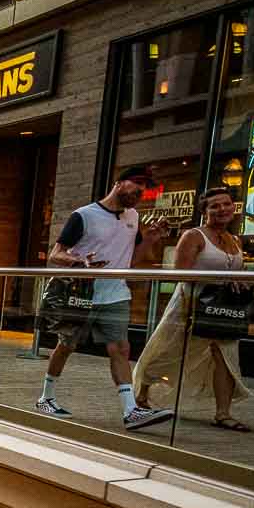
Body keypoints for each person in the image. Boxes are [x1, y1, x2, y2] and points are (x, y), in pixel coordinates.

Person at [38, 168, 172, 430]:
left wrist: (151, 239)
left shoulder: (133, 217)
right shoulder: (84, 215)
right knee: (67, 345)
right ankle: (46, 397)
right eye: (137, 184)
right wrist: (80, 261)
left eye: (144, 188)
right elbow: (56, 254)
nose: (140, 191)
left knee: (120, 348)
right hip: (80, 293)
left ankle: (131, 410)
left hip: (116, 294)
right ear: (119, 183)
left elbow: (130, 260)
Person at [133, 188, 253, 430]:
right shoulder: (194, 235)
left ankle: (223, 414)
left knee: (226, 357)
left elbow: (236, 271)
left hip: (223, 308)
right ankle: (141, 393)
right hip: (190, 304)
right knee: (167, 350)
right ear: (205, 211)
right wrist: (220, 280)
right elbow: (181, 273)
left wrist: (240, 280)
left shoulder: (235, 240)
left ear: (234, 207)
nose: (222, 209)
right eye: (214, 206)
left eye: (226, 204)